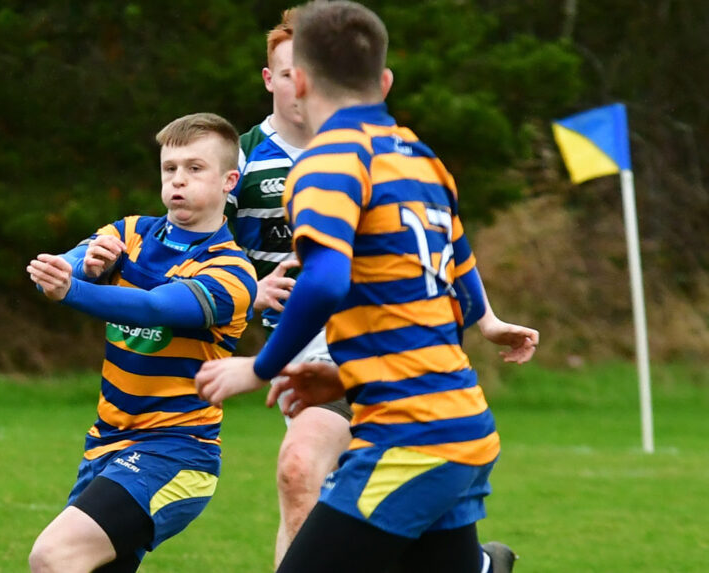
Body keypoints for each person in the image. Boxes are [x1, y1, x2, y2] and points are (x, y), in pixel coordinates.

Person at [194, 3, 539, 572]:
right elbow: (449, 286)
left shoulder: (328, 162)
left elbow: (326, 281)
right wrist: (347, 371)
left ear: (298, 81)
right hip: (461, 420)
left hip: (411, 438)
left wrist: (257, 367)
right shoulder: (424, 162)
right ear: (385, 82)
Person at [26, 113, 258, 573]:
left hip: (175, 453)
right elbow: (58, 273)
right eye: (169, 168)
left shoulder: (233, 273)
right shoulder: (130, 232)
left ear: (230, 180)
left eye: (195, 168)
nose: (178, 180)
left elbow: (154, 308)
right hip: (105, 445)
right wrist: (83, 269)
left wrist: (72, 290)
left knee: (53, 557)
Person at [227, 8, 353, 565]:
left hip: (379, 345)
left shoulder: (368, 151)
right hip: (298, 356)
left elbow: (442, 243)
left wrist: (485, 317)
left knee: (306, 474)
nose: (299, 87)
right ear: (268, 79)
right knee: (319, 489)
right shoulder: (238, 158)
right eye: (287, 74)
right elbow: (197, 250)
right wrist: (249, 288)